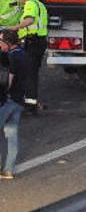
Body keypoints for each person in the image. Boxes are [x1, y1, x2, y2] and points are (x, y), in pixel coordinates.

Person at [8, 0, 47, 110]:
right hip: (39, 42)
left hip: (33, 42)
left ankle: (30, 104)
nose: (19, 0)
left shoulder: (30, 4)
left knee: (29, 73)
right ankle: (31, 102)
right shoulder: (39, 4)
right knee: (32, 72)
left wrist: (14, 28)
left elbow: (29, 20)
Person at [0, 29, 30, 179]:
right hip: (19, 100)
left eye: (1, 41)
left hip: (8, 101)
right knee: (12, 136)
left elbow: (8, 80)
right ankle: (8, 170)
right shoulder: (23, 54)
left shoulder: (11, 57)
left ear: (7, 43)